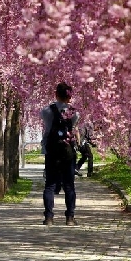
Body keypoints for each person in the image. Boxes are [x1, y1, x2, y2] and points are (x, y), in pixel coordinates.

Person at [41, 82, 80, 226]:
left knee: (50, 185)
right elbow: (74, 128)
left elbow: (46, 126)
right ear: (70, 96)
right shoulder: (75, 113)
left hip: (51, 150)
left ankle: (49, 218)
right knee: (69, 185)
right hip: (68, 151)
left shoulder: (46, 111)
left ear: (56, 94)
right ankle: (70, 218)